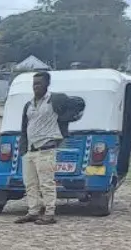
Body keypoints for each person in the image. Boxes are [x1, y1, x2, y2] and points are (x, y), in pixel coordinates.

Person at [16, 71, 84, 224]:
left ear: (47, 84)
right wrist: (23, 149)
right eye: (34, 84)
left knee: (46, 183)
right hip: (30, 150)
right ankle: (33, 211)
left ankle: (49, 213)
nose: (36, 87)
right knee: (30, 184)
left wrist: (63, 120)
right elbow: (24, 127)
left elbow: (77, 105)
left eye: (39, 83)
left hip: (46, 148)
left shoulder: (55, 99)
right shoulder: (29, 104)